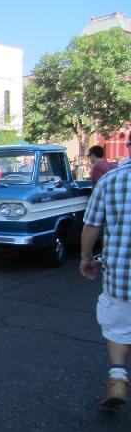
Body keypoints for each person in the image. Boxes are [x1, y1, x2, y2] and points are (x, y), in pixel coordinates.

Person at [79, 153, 131, 408]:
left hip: (122, 277)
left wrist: (85, 257)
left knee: (118, 328)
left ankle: (118, 377)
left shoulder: (110, 181)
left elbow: (91, 225)